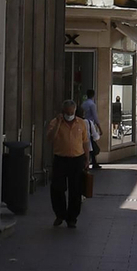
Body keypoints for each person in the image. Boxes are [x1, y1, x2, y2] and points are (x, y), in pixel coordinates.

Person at [46, 98, 91, 228]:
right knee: (57, 188)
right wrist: (59, 123)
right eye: (67, 112)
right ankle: (60, 214)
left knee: (76, 189)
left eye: (71, 113)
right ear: (63, 111)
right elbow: (50, 139)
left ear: (75, 111)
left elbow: (85, 141)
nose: (69, 115)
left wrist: (87, 159)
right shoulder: (55, 123)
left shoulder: (81, 123)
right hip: (60, 159)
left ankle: (72, 218)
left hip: (77, 159)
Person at [80, 91, 102, 168]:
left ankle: (90, 161)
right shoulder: (92, 104)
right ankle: (92, 161)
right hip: (89, 125)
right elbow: (95, 117)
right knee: (91, 144)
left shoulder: (83, 104)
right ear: (93, 95)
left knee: (87, 144)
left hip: (83, 124)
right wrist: (99, 128)